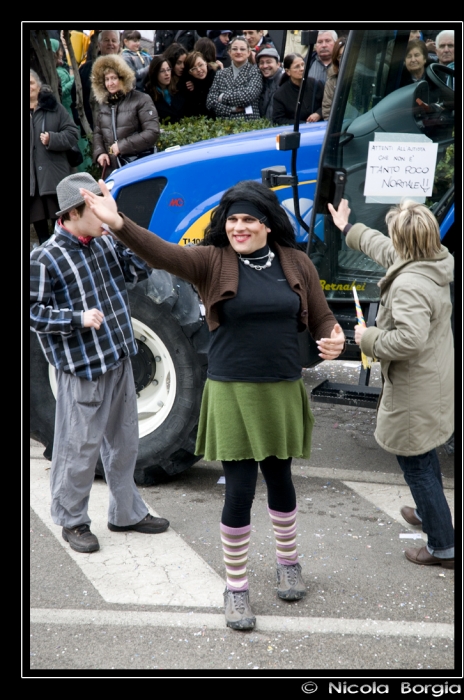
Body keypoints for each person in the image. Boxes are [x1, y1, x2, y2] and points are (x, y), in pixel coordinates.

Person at [80, 178, 346, 629]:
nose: (239, 228)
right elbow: (162, 252)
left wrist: (334, 337)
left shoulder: (296, 262)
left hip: (282, 387)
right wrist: (119, 223)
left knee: (281, 481)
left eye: (249, 220)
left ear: (267, 224)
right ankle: (237, 588)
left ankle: (288, 562)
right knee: (240, 490)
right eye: (233, 220)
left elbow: (321, 316)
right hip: (232, 390)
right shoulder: (211, 261)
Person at [30, 172, 170, 554]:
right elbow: (33, 314)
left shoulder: (104, 242)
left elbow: (140, 269)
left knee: (125, 445)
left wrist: (120, 227)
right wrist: (77, 319)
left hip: (120, 358)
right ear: (73, 213)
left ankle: (126, 513)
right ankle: (72, 520)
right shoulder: (44, 257)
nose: (105, 215)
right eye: (97, 208)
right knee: (78, 450)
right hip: (82, 370)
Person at [328, 198, 454, 570]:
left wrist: (368, 337)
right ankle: (430, 512)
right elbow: (384, 249)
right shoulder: (431, 261)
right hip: (433, 378)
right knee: (425, 451)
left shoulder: (409, 286)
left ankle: (443, 546)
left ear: (405, 242)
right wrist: (349, 229)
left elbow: (408, 340)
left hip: (416, 387)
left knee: (415, 461)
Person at [30, 70, 79, 245]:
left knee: (62, 228)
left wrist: (53, 139)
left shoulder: (55, 107)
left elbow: (73, 134)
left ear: (38, 85)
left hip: (54, 179)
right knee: (40, 233)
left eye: (31, 83)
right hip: (31, 184)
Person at [91, 54, 159, 176]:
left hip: (139, 167)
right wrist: (100, 152)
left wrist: (122, 146)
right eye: (107, 79)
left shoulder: (141, 99)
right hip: (113, 170)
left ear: (123, 78)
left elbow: (152, 132)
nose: (110, 83)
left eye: (114, 78)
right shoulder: (104, 105)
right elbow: (98, 133)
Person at [70, 30, 120, 133]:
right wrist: (82, 122)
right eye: (106, 40)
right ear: (99, 44)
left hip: (119, 128)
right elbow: (76, 95)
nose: (110, 43)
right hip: (92, 128)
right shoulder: (86, 69)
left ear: (119, 44)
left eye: (114, 40)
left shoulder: (125, 68)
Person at [206, 36, 263, 121]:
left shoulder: (255, 71)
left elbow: (247, 96)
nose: (238, 52)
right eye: (235, 49)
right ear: (229, 52)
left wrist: (222, 97)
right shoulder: (220, 74)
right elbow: (210, 102)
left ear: (248, 52)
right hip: (224, 126)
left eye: (242, 49)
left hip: (249, 124)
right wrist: (231, 109)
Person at [272, 54, 323, 125]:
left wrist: (319, 113)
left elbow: (328, 104)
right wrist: (302, 124)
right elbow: (279, 119)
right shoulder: (280, 94)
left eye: (303, 65)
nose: (302, 69)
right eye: (297, 67)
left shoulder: (316, 84)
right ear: (288, 72)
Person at [144, 55, 187, 123]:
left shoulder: (179, 87)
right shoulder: (148, 95)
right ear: (155, 73)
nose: (167, 73)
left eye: (168, 69)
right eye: (162, 71)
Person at [181, 51, 217, 118]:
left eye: (200, 65)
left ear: (205, 63)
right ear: (190, 72)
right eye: (194, 68)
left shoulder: (217, 78)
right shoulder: (189, 85)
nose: (199, 70)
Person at [256, 47, 284, 123]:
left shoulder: (285, 82)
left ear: (278, 64)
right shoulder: (258, 81)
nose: (265, 66)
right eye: (261, 63)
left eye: (269, 62)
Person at [321, 37, 346, 120]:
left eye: (346, 55)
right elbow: (327, 112)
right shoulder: (332, 82)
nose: (344, 59)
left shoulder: (365, 77)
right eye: (340, 56)